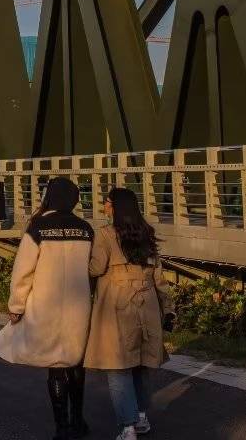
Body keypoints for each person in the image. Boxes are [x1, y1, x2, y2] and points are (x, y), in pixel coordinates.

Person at [0, 176, 95, 439]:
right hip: (78, 305)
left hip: (45, 305)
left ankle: (62, 428)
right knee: (76, 362)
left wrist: (16, 305)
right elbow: (93, 269)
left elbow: (23, 271)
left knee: (56, 366)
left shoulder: (38, 227)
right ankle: (78, 420)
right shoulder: (85, 229)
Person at [84, 187, 168, 440]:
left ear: (116, 207)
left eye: (107, 202)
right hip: (148, 299)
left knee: (118, 365)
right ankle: (141, 417)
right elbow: (158, 276)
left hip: (118, 302)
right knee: (141, 363)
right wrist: (169, 308)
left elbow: (96, 268)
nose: (104, 206)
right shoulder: (147, 233)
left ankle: (127, 425)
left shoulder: (106, 234)